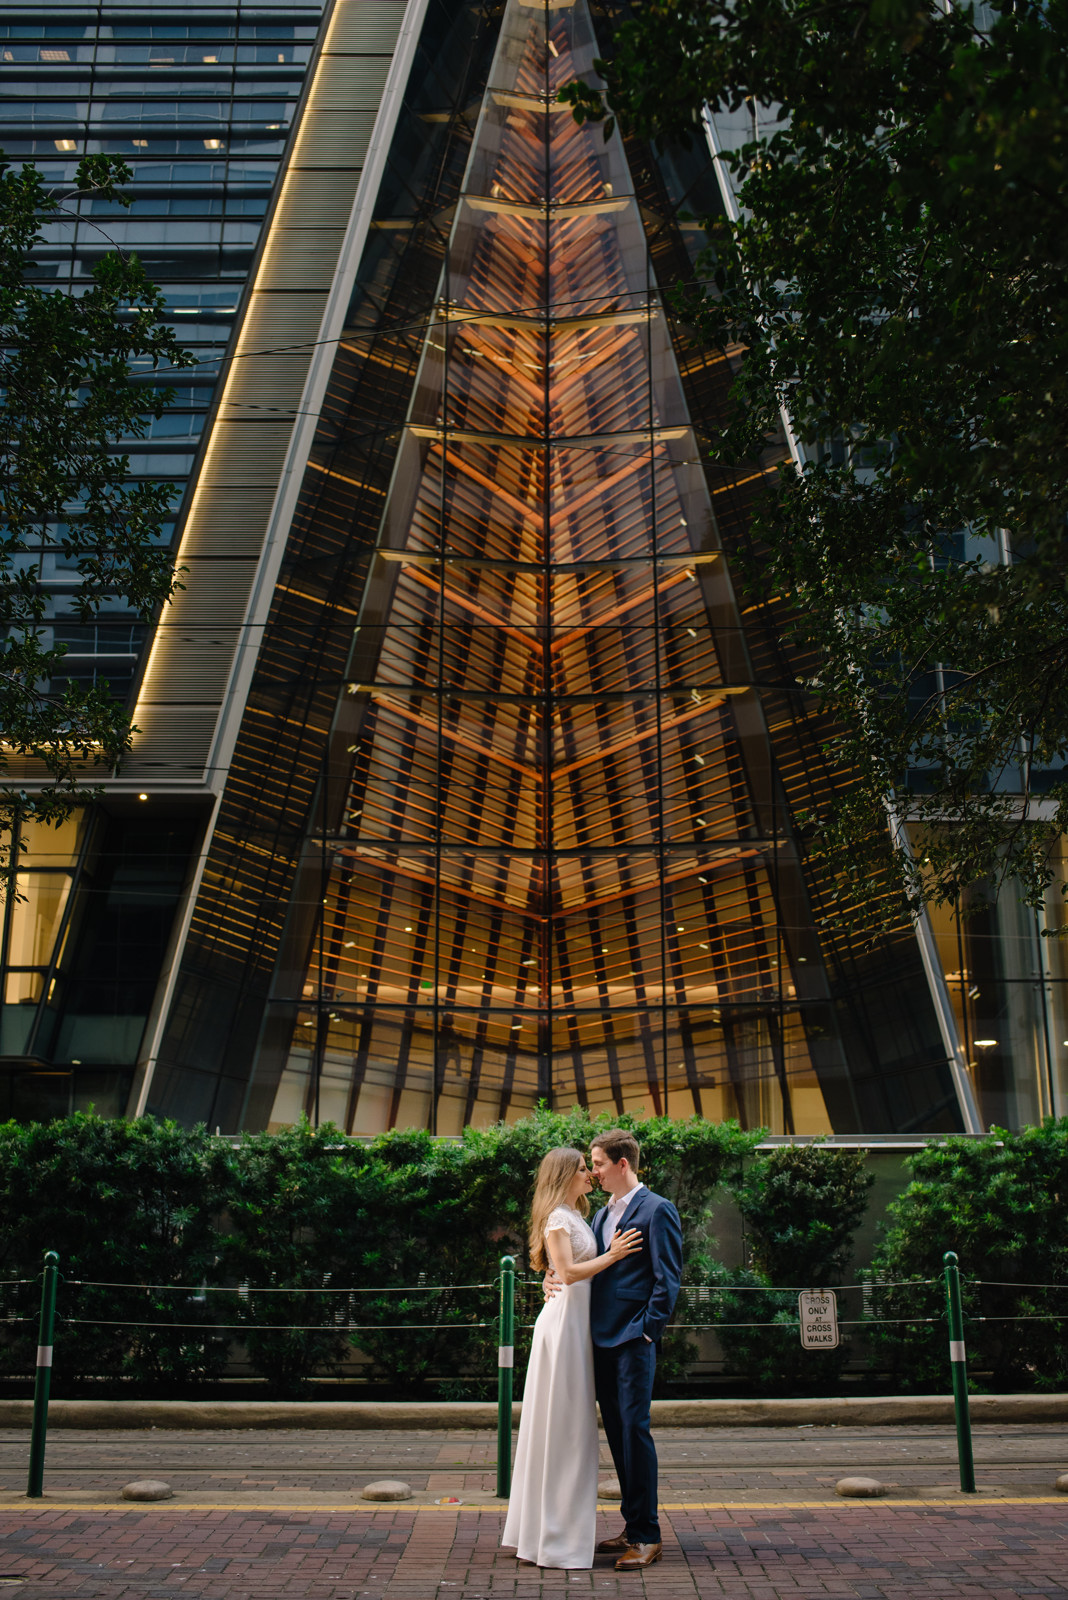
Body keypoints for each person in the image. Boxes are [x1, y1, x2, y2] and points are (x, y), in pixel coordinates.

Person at [501, 1146, 642, 1569]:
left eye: (591, 1167)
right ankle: (555, 1538)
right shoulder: (560, 1218)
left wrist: (558, 1273)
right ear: (564, 1175)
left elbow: (560, 1269)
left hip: (580, 1324)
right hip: (564, 1327)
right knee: (564, 1427)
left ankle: (549, 1531)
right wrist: (613, 1255)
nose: (590, 1175)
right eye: (583, 1169)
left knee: (569, 1427)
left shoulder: (580, 1216)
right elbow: (566, 1273)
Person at [584, 1129, 684, 1571]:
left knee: (634, 1433)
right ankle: (631, 1526)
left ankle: (647, 1536)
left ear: (623, 1164)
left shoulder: (657, 1209)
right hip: (598, 1338)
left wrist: (647, 1331)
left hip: (631, 1340)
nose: (594, 1171)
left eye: (600, 1163)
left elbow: (668, 1279)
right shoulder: (601, 1213)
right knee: (617, 1438)